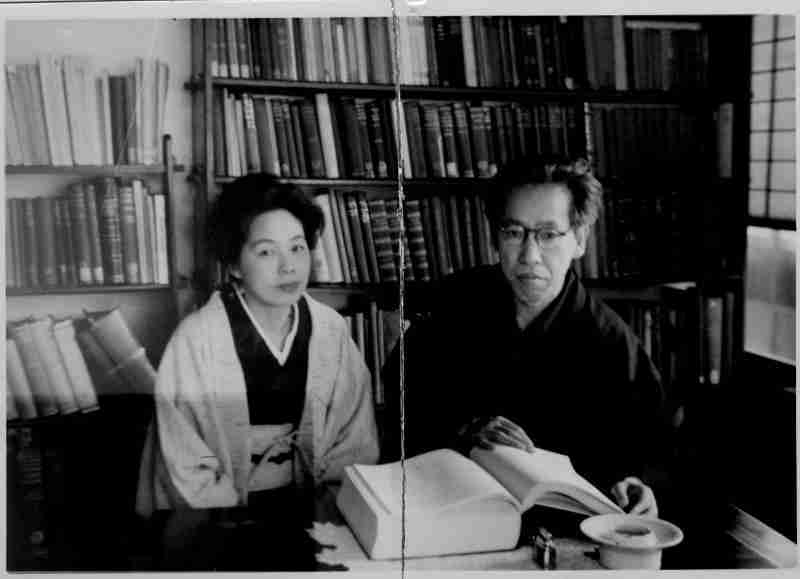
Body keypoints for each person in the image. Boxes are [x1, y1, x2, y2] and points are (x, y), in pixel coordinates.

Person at [383, 156, 672, 519]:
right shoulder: (455, 301)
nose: (529, 256)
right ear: (496, 237)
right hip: (451, 510)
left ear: (580, 240)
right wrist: (464, 430)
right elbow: (400, 397)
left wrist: (638, 483)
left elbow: (650, 448)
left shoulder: (611, 341)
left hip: (559, 527)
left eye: (548, 235)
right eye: (514, 233)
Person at [136, 174, 379, 525]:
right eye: (266, 252)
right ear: (234, 264)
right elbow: (183, 457)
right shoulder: (196, 339)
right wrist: (230, 524)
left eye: (297, 247)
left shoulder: (330, 330)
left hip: (315, 510)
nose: (288, 266)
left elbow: (354, 438)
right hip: (221, 519)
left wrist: (326, 508)